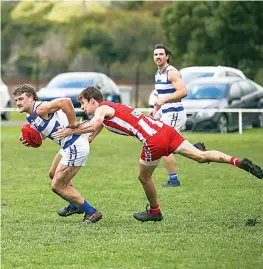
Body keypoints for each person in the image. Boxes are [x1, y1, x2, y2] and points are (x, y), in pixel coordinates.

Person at [52, 86, 263, 222]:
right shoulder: (110, 108)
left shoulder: (100, 110)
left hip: (153, 141)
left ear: (92, 100)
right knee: (200, 156)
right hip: (164, 130)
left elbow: (95, 122)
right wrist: (84, 138)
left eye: (83, 103)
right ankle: (236, 161)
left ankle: (155, 212)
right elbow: (95, 129)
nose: (82, 108)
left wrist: (71, 129)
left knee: (143, 177)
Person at [13, 84, 102, 224]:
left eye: (21, 99)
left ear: (31, 98)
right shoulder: (29, 117)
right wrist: (30, 139)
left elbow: (65, 101)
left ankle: (91, 212)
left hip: (75, 144)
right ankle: (74, 204)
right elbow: (44, 134)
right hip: (67, 145)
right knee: (53, 174)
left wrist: (72, 124)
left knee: (57, 186)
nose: (18, 103)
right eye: (16, 100)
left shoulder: (40, 108)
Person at [150, 43, 206, 187]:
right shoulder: (158, 74)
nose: (158, 57)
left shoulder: (172, 72)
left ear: (167, 56)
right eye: (156, 54)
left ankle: (174, 180)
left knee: (165, 147)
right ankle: (194, 149)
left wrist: (163, 100)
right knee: (167, 146)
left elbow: (183, 91)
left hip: (174, 113)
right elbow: (163, 95)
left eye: (161, 54)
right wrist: (156, 109)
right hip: (166, 113)